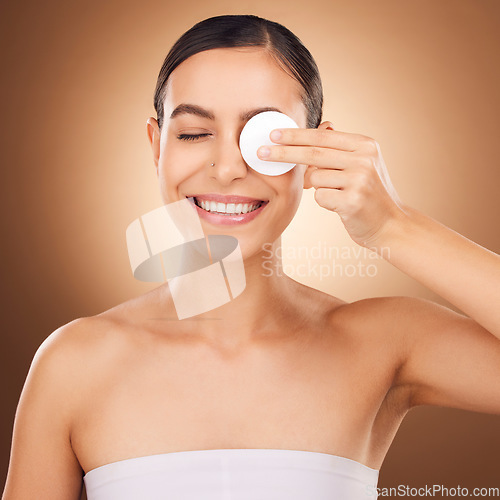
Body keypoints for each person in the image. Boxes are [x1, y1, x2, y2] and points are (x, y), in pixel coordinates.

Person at [2, 14, 500, 500]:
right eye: (195, 133)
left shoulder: (384, 343)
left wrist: (395, 227)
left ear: (317, 150)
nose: (226, 169)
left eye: (261, 139)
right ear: (156, 145)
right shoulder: (75, 363)